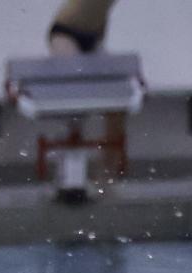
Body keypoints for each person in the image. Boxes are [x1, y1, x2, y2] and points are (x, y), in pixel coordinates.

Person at [48, 0, 127, 182]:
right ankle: (69, 157)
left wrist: (98, 43)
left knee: (120, 98)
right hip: (65, 33)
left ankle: (109, 167)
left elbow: (102, 13)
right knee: (75, 96)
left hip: (92, 37)